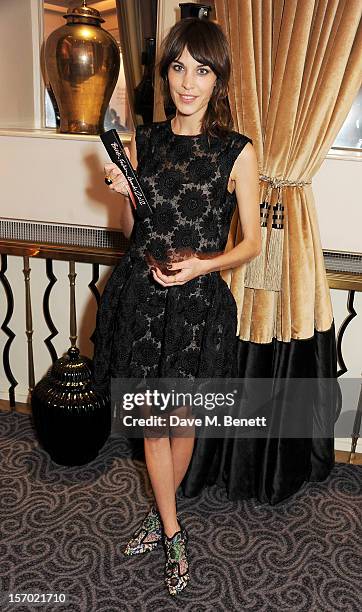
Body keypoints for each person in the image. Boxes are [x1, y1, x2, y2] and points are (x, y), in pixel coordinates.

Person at [92, 17, 260, 597]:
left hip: (198, 304)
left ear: (219, 79)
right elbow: (131, 231)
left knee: (180, 419)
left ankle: (162, 514)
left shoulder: (237, 153)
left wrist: (203, 265)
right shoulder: (146, 140)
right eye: (178, 66)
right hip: (142, 297)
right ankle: (172, 531)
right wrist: (122, 191)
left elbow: (252, 243)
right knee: (155, 423)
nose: (188, 81)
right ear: (165, 74)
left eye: (202, 69)